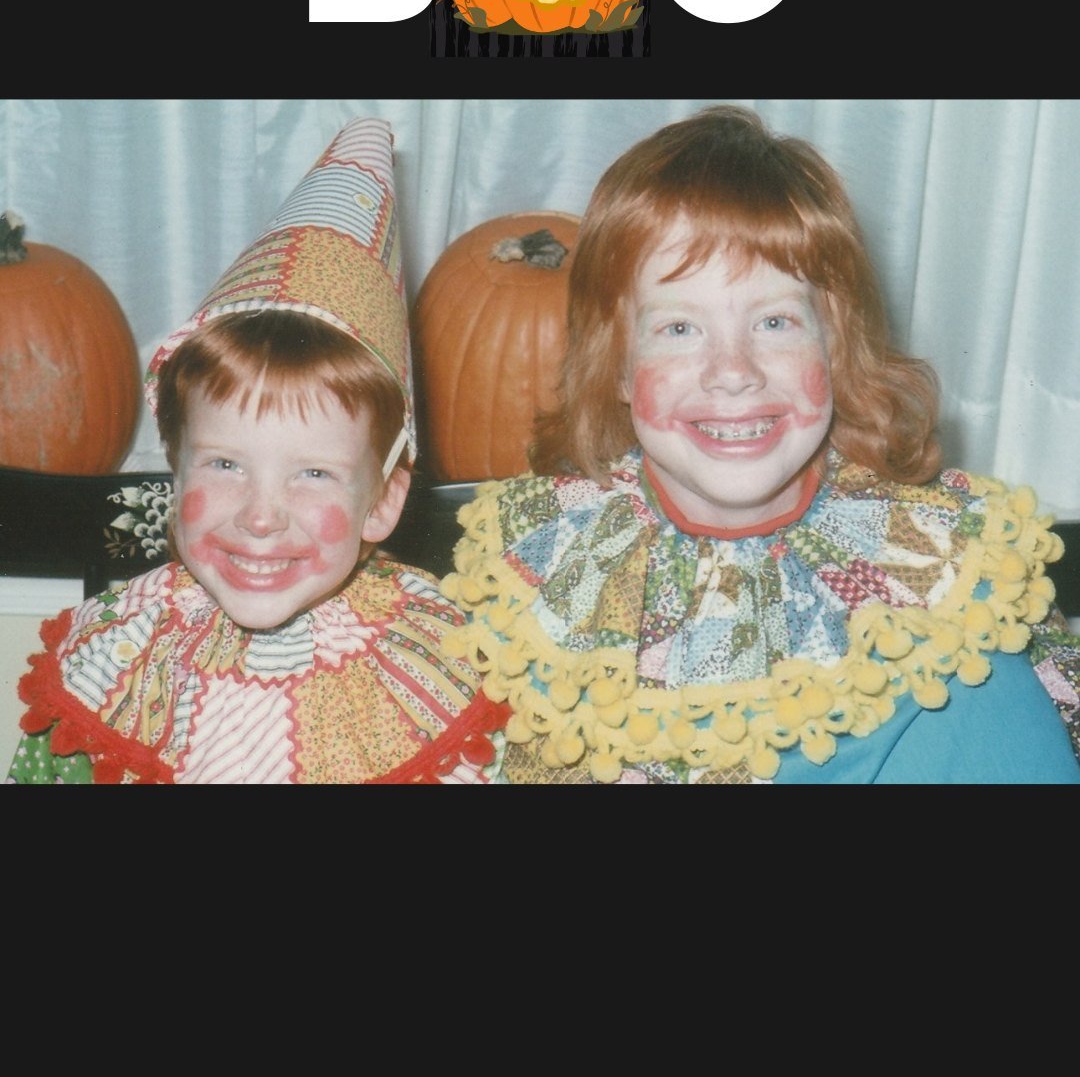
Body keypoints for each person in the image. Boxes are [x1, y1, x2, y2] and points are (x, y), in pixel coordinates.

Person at [440, 106, 1080, 784]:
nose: (734, 371)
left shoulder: (942, 609)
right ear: (619, 368)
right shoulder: (542, 568)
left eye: (775, 321)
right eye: (679, 329)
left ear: (836, 348)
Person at [9, 117, 507, 784]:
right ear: (175, 463)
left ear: (383, 500)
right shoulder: (112, 659)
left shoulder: (446, 665)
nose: (261, 515)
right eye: (224, 464)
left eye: (313, 473)